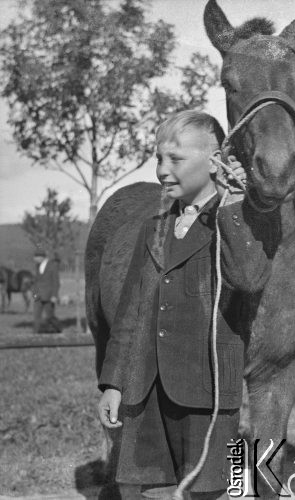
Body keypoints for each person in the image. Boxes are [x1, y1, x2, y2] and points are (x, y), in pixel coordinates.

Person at [97, 110, 280, 499]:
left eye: (175, 159)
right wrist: (114, 382)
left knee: (207, 490)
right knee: (137, 486)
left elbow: (249, 277)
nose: (162, 170)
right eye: (158, 159)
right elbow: (131, 312)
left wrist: (233, 204)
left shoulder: (239, 221)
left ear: (215, 161)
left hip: (208, 393)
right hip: (145, 387)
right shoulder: (155, 227)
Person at [32, 249, 62, 333]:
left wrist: (54, 295)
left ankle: (57, 331)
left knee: (50, 317)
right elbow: (36, 281)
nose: (34, 259)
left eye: (36, 257)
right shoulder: (37, 266)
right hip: (38, 297)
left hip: (49, 296)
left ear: (41, 257)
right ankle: (35, 335)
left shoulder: (52, 266)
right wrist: (34, 295)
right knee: (36, 316)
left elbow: (56, 282)